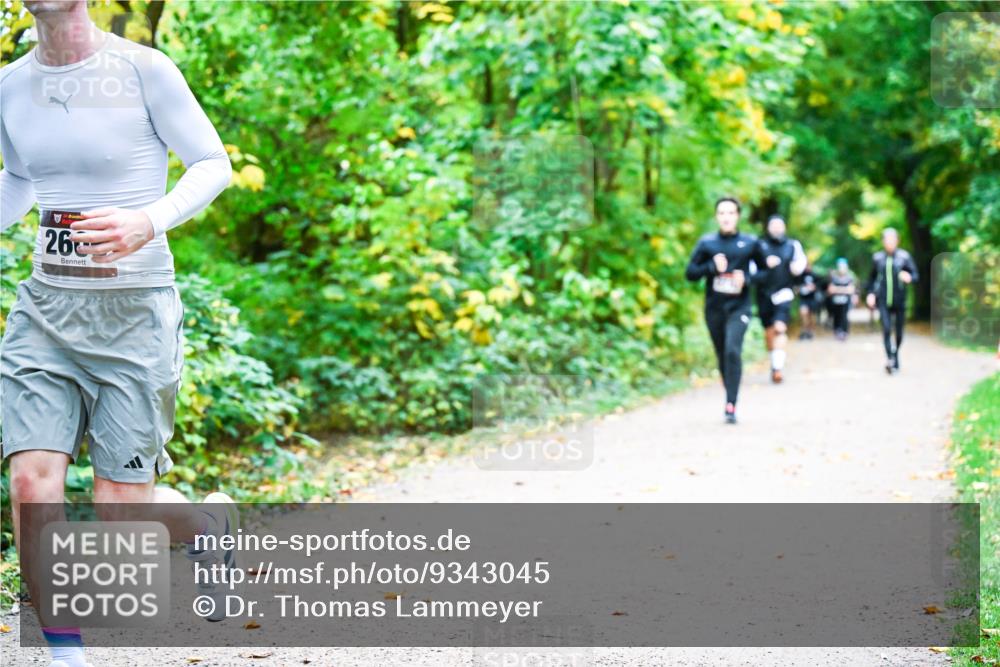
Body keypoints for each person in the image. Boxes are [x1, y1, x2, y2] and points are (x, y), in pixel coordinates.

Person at [1, 4, 238, 666]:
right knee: (32, 481)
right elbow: (22, 181)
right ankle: (63, 647)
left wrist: (148, 220)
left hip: (134, 312)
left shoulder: (143, 70)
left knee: (119, 516)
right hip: (45, 309)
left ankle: (210, 527)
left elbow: (212, 163)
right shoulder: (12, 85)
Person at [685, 197, 761, 424]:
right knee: (721, 353)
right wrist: (710, 267)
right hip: (714, 308)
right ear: (717, 217)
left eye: (730, 212)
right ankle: (729, 390)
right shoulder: (707, 244)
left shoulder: (750, 243)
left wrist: (746, 278)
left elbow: (767, 273)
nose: (726, 217)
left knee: (732, 350)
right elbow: (690, 273)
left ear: (738, 215)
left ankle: (731, 404)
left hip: (740, 306)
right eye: (722, 213)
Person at [752, 215, 807, 384]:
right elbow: (752, 272)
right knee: (769, 332)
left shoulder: (792, 245)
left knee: (780, 328)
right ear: (768, 227)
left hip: (784, 293)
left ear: (784, 227)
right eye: (773, 225)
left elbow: (801, 263)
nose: (776, 228)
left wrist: (796, 269)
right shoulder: (759, 246)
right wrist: (765, 266)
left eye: (779, 225)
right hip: (764, 294)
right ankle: (775, 360)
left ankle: (778, 369)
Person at [864, 228, 918, 374]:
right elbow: (871, 279)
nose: (890, 243)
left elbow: (915, 275)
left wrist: (909, 277)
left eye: (892, 240)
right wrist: (870, 294)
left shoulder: (904, 257)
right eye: (887, 240)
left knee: (899, 333)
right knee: (887, 329)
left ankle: (895, 355)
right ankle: (890, 360)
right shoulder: (877, 258)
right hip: (882, 300)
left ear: (897, 241)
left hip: (900, 300)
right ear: (883, 242)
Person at [826, 257, 858, 340]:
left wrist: (838, 289)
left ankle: (844, 331)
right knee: (836, 315)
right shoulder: (833, 276)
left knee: (844, 316)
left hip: (846, 301)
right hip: (835, 301)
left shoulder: (850, 276)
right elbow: (830, 289)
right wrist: (844, 289)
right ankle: (837, 331)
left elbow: (851, 290)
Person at [795, 262, 823, 340]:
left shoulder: (815, 276)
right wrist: (799, 289)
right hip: (803, 299)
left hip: (812, 299)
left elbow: (820, 285)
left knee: (811, 316)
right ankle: (804, 330)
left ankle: (811, 331)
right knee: (803, 314)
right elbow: (795, 287)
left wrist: (814, 287)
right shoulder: (800, 276)